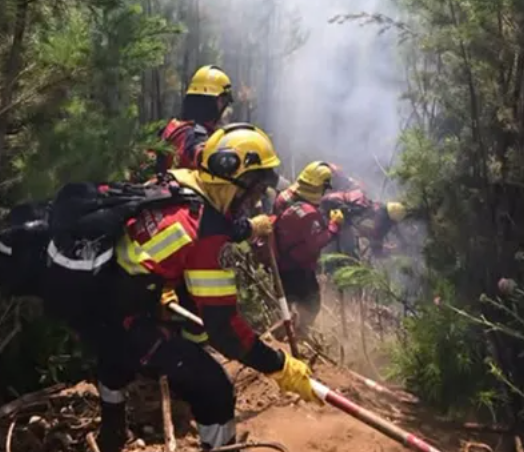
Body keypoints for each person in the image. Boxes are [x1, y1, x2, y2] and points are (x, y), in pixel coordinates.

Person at [64, 123, 319, 452]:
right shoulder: (206, 234)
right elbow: (225, 330)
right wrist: (280, 366)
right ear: (234, 180)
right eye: (254, 190)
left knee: (120, 354)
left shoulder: (178, 182)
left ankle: (112, 431)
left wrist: (154, 283)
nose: (254, 201)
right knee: (216, 389)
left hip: (100, 299)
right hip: (122, 318)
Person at [268, 161, 345, 336]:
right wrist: (334, 226)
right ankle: (299, 336)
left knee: (287, 305)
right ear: (321, 186)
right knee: (312, 304)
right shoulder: (309, 214)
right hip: (299, 268)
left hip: (280, 262)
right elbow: (316, 243)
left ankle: (282, 335)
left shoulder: (284, 197)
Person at [155, 65, 234, 173]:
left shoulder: (171, 128)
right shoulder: (196, 135)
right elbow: (199, 151)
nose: (226, 109)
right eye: (222, 101)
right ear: (210, 103)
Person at [321, 188, 407, 260]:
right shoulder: (376, 219)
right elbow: (376, 247)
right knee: (348, 247)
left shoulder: (377, 207)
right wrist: (387, 251)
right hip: (334, 211)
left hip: (332, 202)